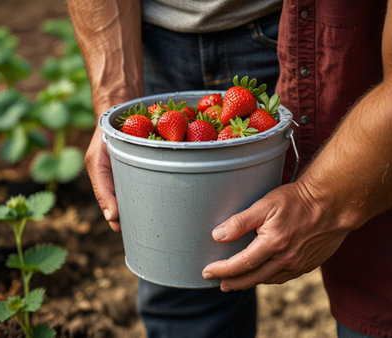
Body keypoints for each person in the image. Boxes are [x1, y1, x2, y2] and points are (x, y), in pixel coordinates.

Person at [201, 0, 392, 337]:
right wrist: (113, 92)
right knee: (184, 297)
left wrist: (315, 202)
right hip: (159, 39)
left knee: (387, 300)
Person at [66, 0, 283, 337]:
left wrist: (323, 199)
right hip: (157, 38)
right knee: (176, 272)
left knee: (370, 273)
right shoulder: (174, 118)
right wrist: (115, 102)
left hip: (289, 30)